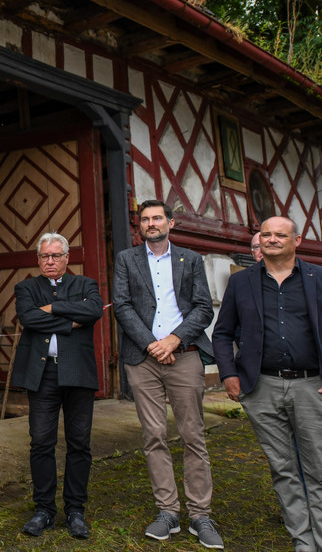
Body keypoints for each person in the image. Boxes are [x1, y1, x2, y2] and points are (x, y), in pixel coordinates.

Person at [113, 199, 223, 549]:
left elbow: (204, 307)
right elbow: (123, 305)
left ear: (170, 223)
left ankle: (200, 515)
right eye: (144, 219)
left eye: (157, 217)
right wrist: (152, 344)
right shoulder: (126, 259)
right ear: (139, 226)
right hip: (142, 358)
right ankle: (167, 512)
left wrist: (174, 340)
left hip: (185, 355)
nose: (150, 223)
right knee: (154, 435)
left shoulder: (190, 259)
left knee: (194, 435)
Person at [213, 216, 322, 552]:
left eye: (280, 234)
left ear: (297, 240)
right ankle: (303, 542)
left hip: (310, 385)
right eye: (265, 234)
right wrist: (229, 375)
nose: (271, 239)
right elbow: (222, 333)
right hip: (261, 388)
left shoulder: (317, 277)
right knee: (283, 468)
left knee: (318, 467)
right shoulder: (242, 282)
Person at [13, 232, 104, 539]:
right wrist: (70, 318)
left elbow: (93, 312)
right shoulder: (26, 287)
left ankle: (75, 510)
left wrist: (51, 309)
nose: (49, 261)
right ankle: (44, 510)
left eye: (55, 256)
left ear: (67, 258)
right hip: (43, 375)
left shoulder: (87, 285)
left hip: (78, 373)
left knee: (79, 443)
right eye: (43, 257)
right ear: (38, 260)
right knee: (41, 442)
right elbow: (28, 319)